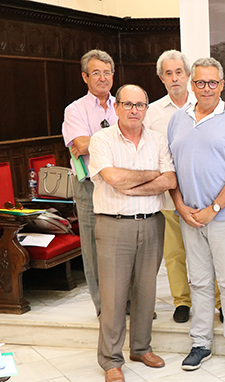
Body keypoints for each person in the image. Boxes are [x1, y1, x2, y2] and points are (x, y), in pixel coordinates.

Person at [89, 84, 176, 382]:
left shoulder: (158, 140)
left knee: (146, 292)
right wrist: (152, 175)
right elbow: (112, 177)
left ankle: (141, 348)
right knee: (114, 296)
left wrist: (133, 184)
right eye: (127, 104)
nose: (134, 110)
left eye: (139, 105)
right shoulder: (101, 140)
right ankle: (111, 360)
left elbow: (170, 180)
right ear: (116, 107)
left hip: (152, 223)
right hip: (114, 225)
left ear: (146, 109)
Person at [169, 57, 225, 373]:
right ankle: (200, 343)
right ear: (192, 84)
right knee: (200, 282)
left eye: (213, 82)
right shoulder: (177, 119)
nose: (207, 88)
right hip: (189, 217)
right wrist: (180, 206)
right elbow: (170, 169)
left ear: (222, 84)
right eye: (201, 82)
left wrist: (213, 208)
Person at [62, 49, 117, 316]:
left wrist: (94, 141)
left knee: (123, 246)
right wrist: (118, 139)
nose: (102, 78)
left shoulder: (123, 104)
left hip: (120, 184)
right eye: (96, 73)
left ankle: (127, 302)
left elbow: (89, 143)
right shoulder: (75, 110)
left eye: (107, 72)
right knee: (94, 250)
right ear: (85, 77)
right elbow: (80, 145)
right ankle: (103, 307)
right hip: (89, 186)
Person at [145, 49, 196, 324]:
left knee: (207, 252)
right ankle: (182, 302)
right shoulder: (151, 112)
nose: (175, 78)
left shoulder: (204, 105)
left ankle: (218, 301)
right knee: (174, 253)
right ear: (161, 78)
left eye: (179, 72)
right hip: (166, 197)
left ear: (188, 75)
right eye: (168, 73)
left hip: (201, 195)